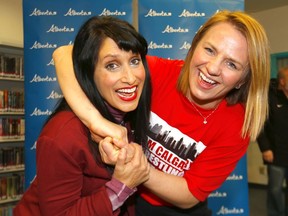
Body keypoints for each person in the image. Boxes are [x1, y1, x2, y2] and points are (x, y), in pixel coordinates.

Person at [53, 10, 270, 216]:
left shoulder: (237, 124)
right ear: (195, 45)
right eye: (210, 50)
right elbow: (64, 54)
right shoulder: (157, 73)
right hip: (128, 199)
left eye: (231, 64)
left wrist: (133, 164)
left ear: (243, 79)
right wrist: (97, 123)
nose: (213, 68)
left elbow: (189, 194)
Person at [13, 16, 152, 216]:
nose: (130, 78)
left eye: (134, 61)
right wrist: (121, 186)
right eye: (112, 65)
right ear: (88, 72)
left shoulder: (125, 115)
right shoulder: (63, 135)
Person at [257, 67, 288, 216]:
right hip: (275, 154)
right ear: (282, 81)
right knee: (275, 190)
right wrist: (265, 148)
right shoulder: (269, 97)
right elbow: (259, 125)